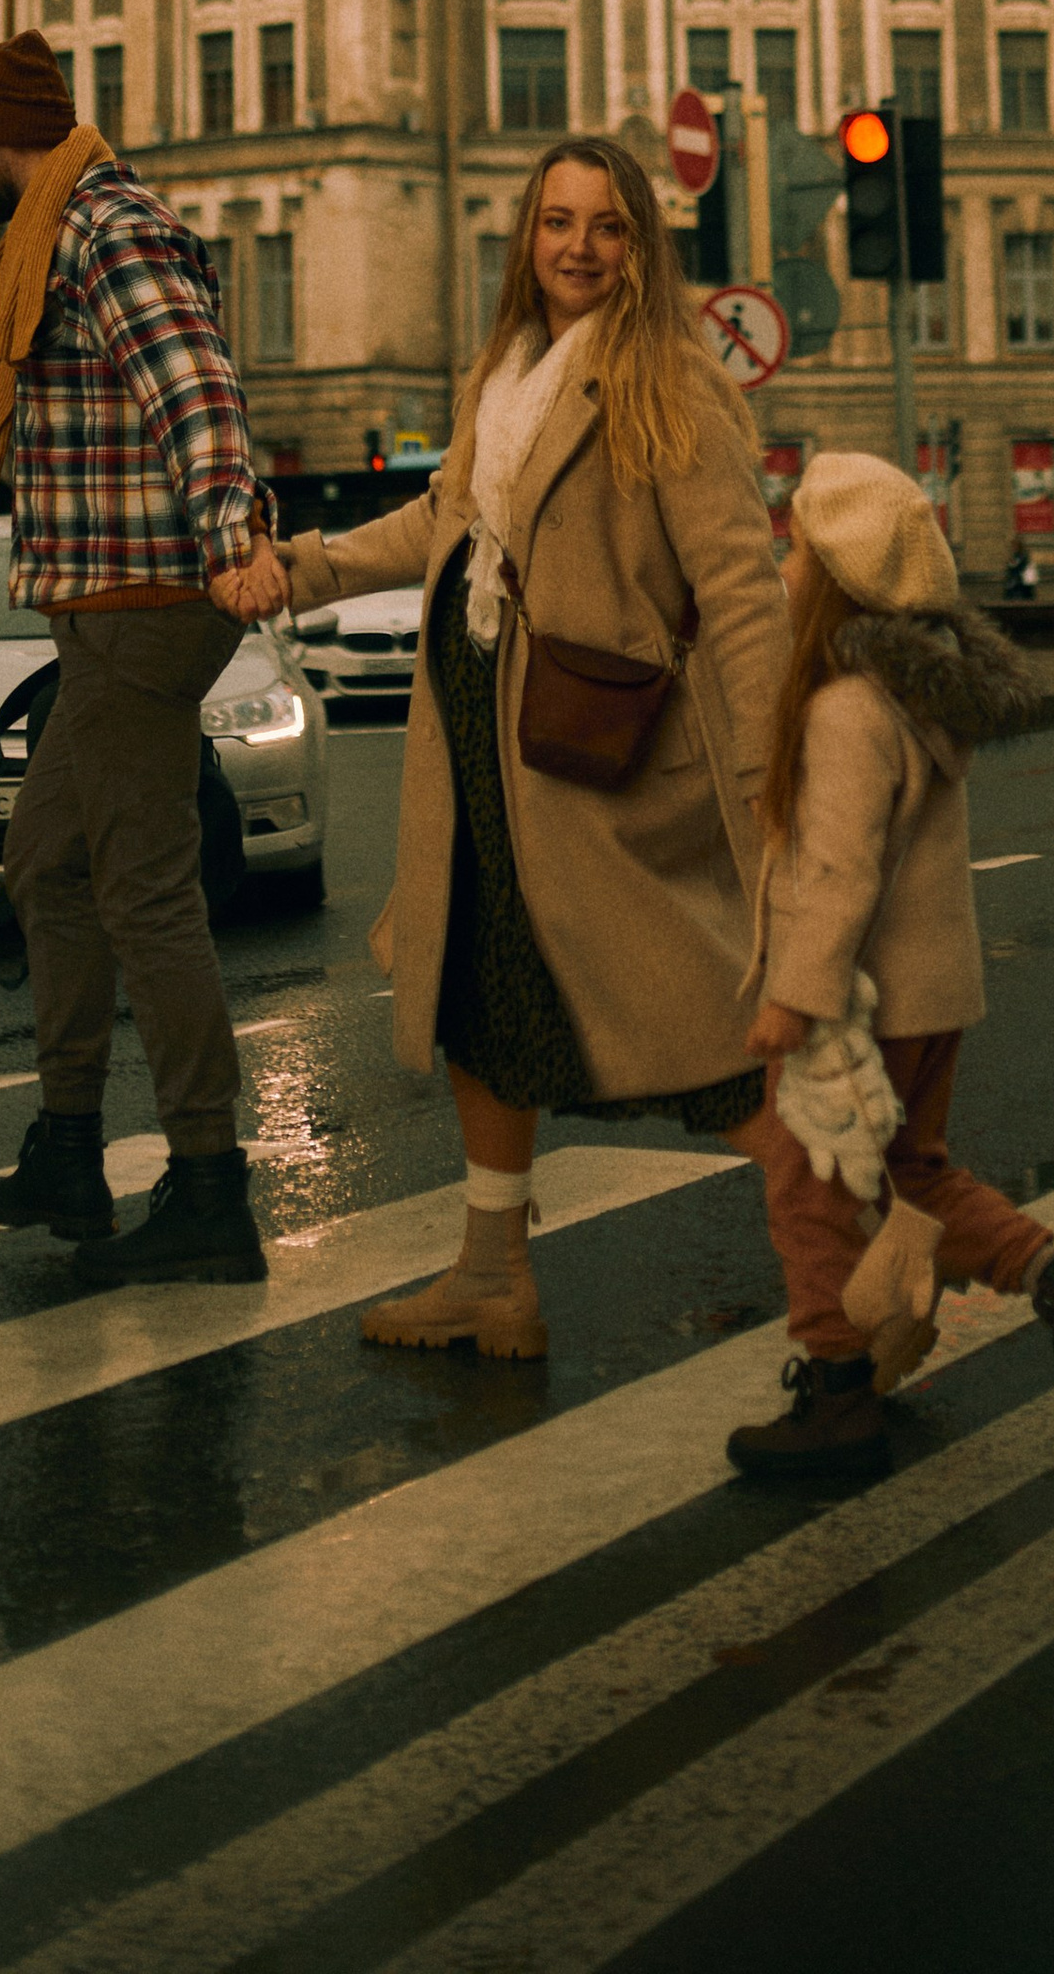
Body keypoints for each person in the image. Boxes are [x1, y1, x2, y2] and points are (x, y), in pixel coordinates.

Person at [277, 134, 789, 1358]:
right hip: (480, 760)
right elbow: (443, 519)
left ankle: (880, 1249)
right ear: (528, 239)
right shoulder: (506, 372)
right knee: (480, 1004)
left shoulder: (671, 383)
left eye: (606, 228)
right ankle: (492, 1273)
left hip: (596, 771)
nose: (579, 249)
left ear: (640, 249)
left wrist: (774, 784)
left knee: (698, 1047)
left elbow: (740, 587)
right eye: (558, 224)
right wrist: (304, 569)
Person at [726, 450, 1054, 1483]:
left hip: (859, 1004)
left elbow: (837, 872)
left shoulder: (841, 709)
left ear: (837, 580)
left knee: (811, 1185)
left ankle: (835, 1394)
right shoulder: (907, 692)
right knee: (912, 1173)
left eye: (798, 556)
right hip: (933, 993)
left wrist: (795, 999)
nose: (784, 575)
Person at [0, 29, 287, 1286]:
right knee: (48, 860)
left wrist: (232, 530)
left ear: (4, 138)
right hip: (102, 607)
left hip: (142, 605)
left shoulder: (103, 225)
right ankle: (70, 1149)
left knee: (144, 888)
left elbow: (195, 390)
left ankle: (207, 1181)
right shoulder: (57, 230)